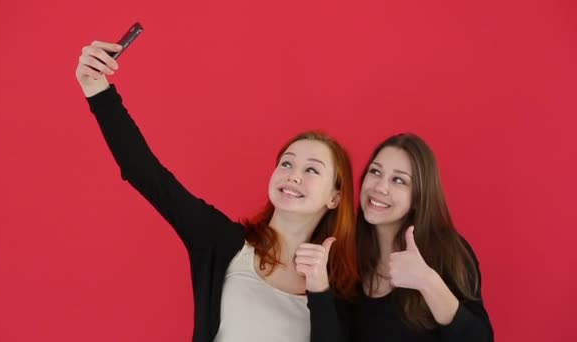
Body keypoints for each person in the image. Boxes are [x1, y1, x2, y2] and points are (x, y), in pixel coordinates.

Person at [74, 40, 359, 342]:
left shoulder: (340, 290)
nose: (294, 176)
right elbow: (148, 175)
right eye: (287, 164)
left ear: (335, 197)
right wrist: (97, 90)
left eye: (311, 169)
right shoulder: (223, 243)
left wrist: (319, 290)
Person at [351, 133, 494, 341]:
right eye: (375, 172)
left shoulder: (448, 251)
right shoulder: (349, 251)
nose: (380, 187)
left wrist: (427, 281)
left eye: (398, 180)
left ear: (419, 197)